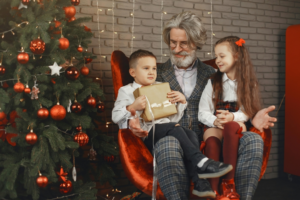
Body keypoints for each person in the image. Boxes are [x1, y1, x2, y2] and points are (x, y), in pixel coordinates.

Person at [129, 11, 277, 200]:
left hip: (211, 136)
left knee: (254, 140)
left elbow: (237, 104)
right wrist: (132, 119)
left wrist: (252, 118)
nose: (176, 48)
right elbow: (134, 103)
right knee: (167, 144)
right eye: (172, 43)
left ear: (196, 42)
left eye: (183, 43)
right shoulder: (153, 73)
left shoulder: (214, 74)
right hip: (173, 138)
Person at [112, 49, 234, 198]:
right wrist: (132, 107)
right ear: (132, 72)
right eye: (146, 68)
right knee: (174, 129)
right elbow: (115, 116)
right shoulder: (126, 91)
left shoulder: (161, 87)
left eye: (154, 68)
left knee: (190, 134)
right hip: (148, 134)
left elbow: (172, 120)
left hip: (167, 129)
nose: (151, 72)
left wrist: (181, 102)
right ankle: (200, 161)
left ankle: (199, 183)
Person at [198, 36, 261, 199]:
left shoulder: (248, 82)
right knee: (211, 141)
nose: (217, 60)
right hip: (215, 124)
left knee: (232, 126)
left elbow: (248, 111)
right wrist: (215, 120)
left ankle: (228, 184)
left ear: (237, 56)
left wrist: (231, 116)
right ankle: (212, 190)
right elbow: (203, 111)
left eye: (221, 56)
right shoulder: (213, 81)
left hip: (236, 122)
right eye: (216, 56)